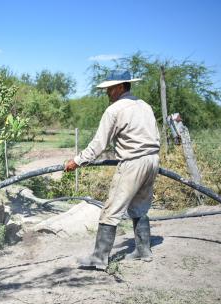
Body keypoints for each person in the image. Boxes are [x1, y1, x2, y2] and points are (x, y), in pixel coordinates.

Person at [64, 70, 160, 270]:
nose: (107, 93)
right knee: (140, 206)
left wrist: (77, 161)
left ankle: (99, 258)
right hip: (152, 160)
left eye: (109, 89)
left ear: (119, 87)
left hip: (133, 162)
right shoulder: (145, 106)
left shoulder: (115, 110)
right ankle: (144, 250)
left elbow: (99, 144)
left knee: (111, 210)